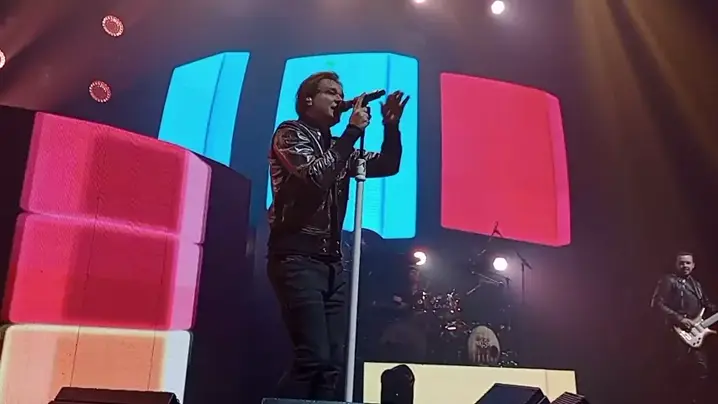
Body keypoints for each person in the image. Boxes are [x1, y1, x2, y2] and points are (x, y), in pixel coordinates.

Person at [266, 71, 409, 400]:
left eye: (341, 93)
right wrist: (352, 131)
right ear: (308, 100)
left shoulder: (338, 148)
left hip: (332, 262)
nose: (339, 99)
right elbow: (315, 177)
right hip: (296, 257)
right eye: (331, 92)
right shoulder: (290, 134)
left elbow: (388, 164)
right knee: (312, 356)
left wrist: (390, 127)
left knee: (333, 364)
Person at [651, 251, 716, 404]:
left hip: (696, 333)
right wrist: (680, 319)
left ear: (693, 265)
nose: (685, 265)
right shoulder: (668, 280)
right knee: (679, 371)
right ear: (676, 264)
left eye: (688, 263)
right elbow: (657, 303)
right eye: (681, 263)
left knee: (702, 370)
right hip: (676, 333)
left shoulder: (697, 285)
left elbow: (707, 305)